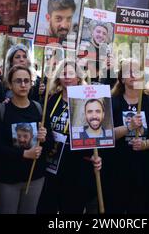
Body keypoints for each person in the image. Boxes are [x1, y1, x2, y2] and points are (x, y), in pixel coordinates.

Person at [37, 60, 102, 214]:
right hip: (52, 162)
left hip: (77, 166)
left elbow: (97, 131)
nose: (67, 77)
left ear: (78, 77)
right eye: (63, 73)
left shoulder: (88, 100)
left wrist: (96, 156)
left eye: (71, 74)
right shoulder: (50, 100)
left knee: (72, 208)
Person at [101, 58, 149, 213]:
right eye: (129, 71)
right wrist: (129, 127)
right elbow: (104, 135)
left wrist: (146, 144)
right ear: (122, 78)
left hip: (144, 171)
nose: (133, 75)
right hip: (116, 170)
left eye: (137, 71)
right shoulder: (111, 102)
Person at [0, 65, 49, 214]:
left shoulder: (39, 109)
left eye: (26, 81)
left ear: (31, 83)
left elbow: (48, 146)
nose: (23, 85)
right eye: (18, 81)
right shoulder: (2, 110)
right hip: (8, 179)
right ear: (10, 84)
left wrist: (44, 138)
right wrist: (24, 154)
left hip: (34, 177)